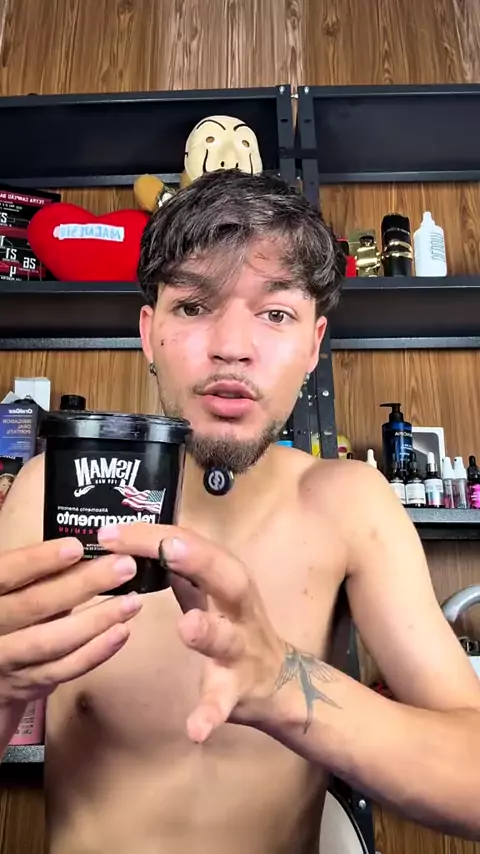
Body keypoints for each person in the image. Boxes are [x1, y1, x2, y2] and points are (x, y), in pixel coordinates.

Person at [0, 170, 478, 853]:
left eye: (275, 313)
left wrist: (282, 682)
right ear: (148, 331)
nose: (232, 345)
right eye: (194, 305)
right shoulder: (49, 491)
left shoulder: (352, 505)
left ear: (313, 345)